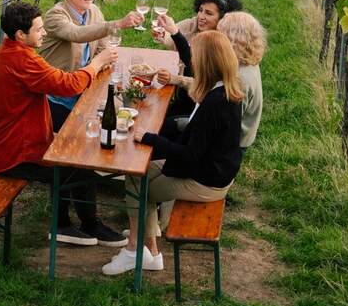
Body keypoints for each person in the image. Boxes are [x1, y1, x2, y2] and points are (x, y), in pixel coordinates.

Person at [0, 1, 126, 247]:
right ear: (20, 34)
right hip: (13, 155)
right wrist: (97, 63)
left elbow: (55, 80)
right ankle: (69, 226)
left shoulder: (6, 52)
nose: (44, 33)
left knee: (72, 158)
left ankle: (74, 224)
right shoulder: (21, 60)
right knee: (77, 167)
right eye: (39, 29)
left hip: (9, 143)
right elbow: (67, 85)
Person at [102, 30, 244, 275]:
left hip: (206, 182)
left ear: (207, 61)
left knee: (136, 182)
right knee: (139, 171)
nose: (191, 62)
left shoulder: (214, 103)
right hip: (216, 170)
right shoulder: (227, 90)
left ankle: (134, 251)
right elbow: (198, 135)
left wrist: (150, 137)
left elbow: (190, 155)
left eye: (195, 56)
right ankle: (151, 254)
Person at [37, 0, 141, 241]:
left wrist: (109, 56)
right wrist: (115, 24)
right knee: (72, 155)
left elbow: (102, 45)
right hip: (53, 98)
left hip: (81, 91)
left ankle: (83, 221)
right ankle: (70, 223)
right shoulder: (55, 16)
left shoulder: (93, 12)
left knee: (83, 152)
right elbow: (76, 35)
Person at [152, 0, 243, 78]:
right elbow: (172, 35)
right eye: (200, 10)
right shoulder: (193, 24)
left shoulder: (225, 40)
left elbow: (199, 69)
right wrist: (163, 35)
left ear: (222, 18)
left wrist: (175, 33)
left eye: (208, 13)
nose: (201, 16)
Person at [217, 11, 266, 155]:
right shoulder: (246, 62)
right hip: (236, 137)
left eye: (219, 35)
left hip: (229, 146)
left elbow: (222, 129)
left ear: (232, 40)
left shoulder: (238, 79)